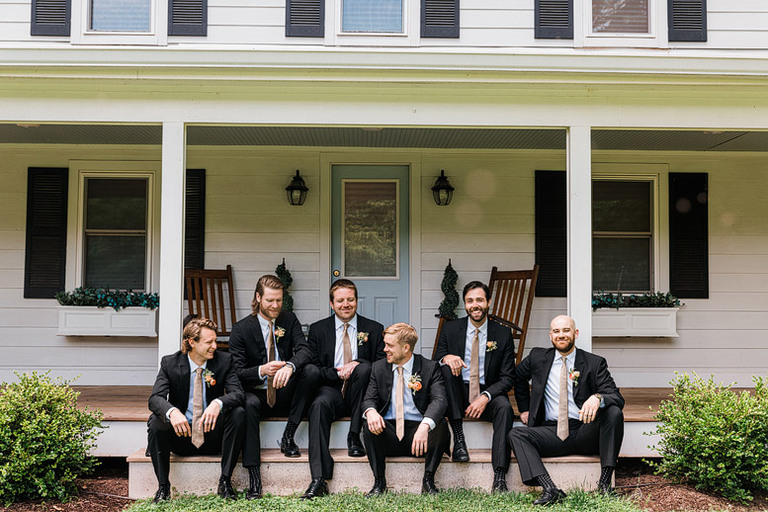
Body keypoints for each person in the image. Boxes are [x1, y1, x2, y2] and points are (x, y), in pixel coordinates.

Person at [509, 314, 625, 505]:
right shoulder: (537, 357)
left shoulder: (594, 363)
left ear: (575, 333)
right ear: (550, 335)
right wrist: (525, 408)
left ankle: (604, 483)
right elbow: (517, 378)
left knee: (613, 412)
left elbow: (616, 397)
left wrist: (598, 398)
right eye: (556, 331)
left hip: (584, 430)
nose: (561, 335)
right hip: (550, 431)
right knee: (516, 435)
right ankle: (550, 489)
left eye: (566, 330)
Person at [293, 279, 385, 499]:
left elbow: (382, 364)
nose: (346, 304)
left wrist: (359, 362)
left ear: (356, 301)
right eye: (341, 300)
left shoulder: (374, 328)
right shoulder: (318, 329)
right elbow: (312, 366)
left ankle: (354, 436)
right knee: (318, 406)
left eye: (350, 300)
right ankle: (318, 478)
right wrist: (336, 373)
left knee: (363, 370)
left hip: (360, 392)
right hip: (330, 389)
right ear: (331, 304)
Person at [228, 274, 311, 499]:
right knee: (248, 405)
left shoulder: (289, 320)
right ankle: (255, 478)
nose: (275, 306)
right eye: (270, 301)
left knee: (310, 372)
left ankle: (288, 436)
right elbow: (236, 372)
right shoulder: (241, 329)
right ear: (258, 298)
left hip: (284, 393)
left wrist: (291, 366)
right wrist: (261, 370)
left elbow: (305, 350)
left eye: (279, 300)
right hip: (257, 394)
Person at [147, 318, 245, 502]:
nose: (215, 346)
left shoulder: (225, 361)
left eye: (215, 341)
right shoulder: (170, 363)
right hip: (181, 436)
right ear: (191, 342)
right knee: (155, 421)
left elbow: (238, 394)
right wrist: (172, 412)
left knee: (238, 413)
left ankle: (225, 482)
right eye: (209, 342)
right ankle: (163, 488)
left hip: (213, 436)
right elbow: (155, 399)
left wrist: (218, 403)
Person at [433, 280, 515, 491]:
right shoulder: (451, 328)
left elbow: (508, 378)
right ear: (465, 305)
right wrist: (447, 357)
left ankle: (499, 475)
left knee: (505, 408)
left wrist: (486, 396)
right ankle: (459, 440)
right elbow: (436, 360)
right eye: (470, 301)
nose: (475, 305)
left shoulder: (502, 333)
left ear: (488, 302)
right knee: (446, 369)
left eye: (479, 300)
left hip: (488, 392)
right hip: (458, 390)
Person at [361, 323, 450, 496]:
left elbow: (440, 400)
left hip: (419, 436)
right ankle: (379, 483)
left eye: (390, 345)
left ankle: (428, 481)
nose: (385, 349)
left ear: (406, 348)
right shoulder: (378, 368)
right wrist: (371, 412)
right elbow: (368, 399)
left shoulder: (429, 368)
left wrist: (424, 426)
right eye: (385, 344)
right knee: (368, 423)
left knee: (440, 424)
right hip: (389, 433)